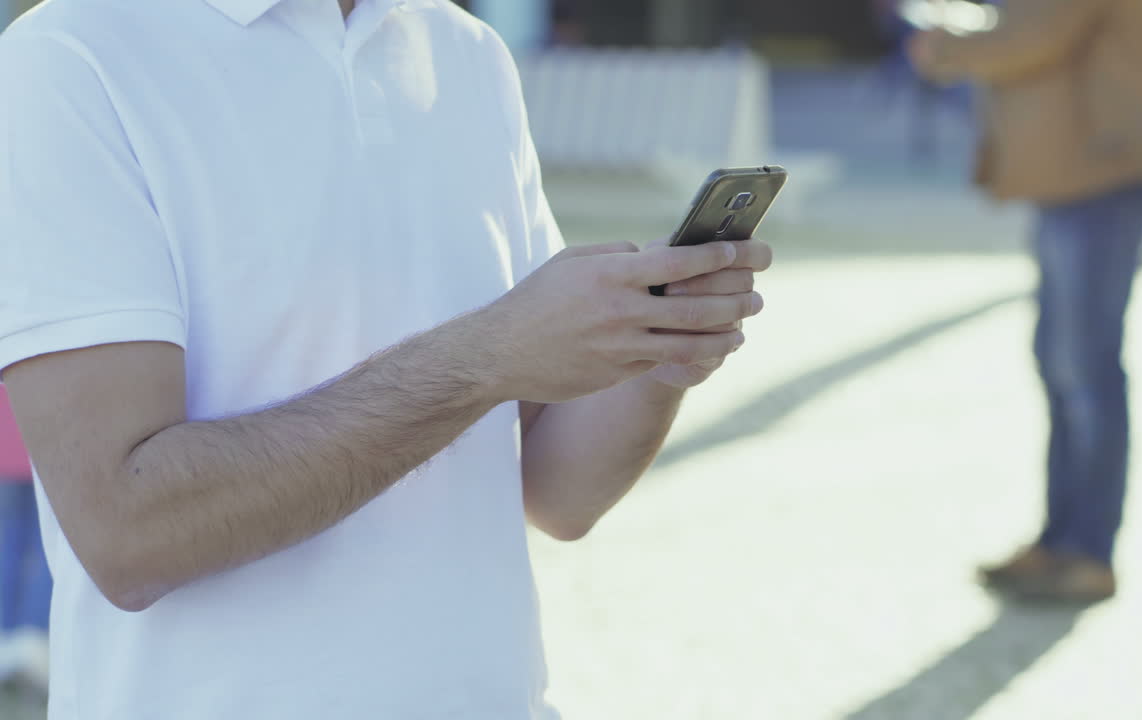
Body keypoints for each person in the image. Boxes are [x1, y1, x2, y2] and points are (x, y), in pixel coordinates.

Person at [0, 0, 772, 717]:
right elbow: (128, 532)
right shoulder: (70, 59)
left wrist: (661, 350)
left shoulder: (466, 54)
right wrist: (485, 354)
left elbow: (556, 492)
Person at [909, 0, 1142, 603]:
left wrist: (945, 46)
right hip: (1081, 172)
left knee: (1084, 367)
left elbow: (1036, 35)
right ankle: (1062, 540)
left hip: (1103, 171)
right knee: (1065, 364)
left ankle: (1088, 550)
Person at [0, 384, 50, 691]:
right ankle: (33, 640)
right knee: (45, 547)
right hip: (42, 448)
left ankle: (7, 634)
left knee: (8, 543)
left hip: (6, 451)